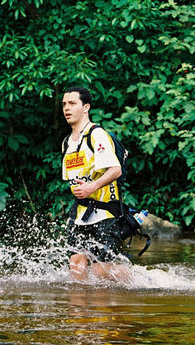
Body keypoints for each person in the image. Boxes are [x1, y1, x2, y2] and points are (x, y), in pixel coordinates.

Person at [61, 86, 129, 281]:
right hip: (81, 213)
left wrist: (92, 187)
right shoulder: (67, 142)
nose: (67, 108)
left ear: (86, 107)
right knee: (77, 266)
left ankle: (141, 281)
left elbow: (115, 170)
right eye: (64, 104)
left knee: (101, 271)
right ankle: (78, 310)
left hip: (106, 212)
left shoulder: (96, 135)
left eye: (72, 103)